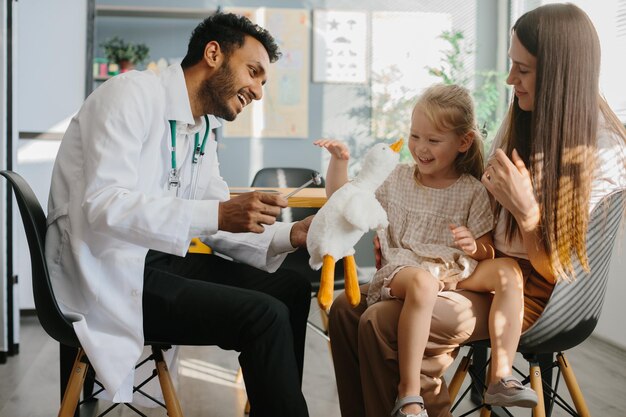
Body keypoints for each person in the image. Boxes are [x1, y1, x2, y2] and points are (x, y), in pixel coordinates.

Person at [328, 3, 626, 417]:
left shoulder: (600, 150)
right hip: (478, 271)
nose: (509, 80)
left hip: (529, 293)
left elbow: (561, 272)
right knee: (346, 308)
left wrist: (527, 214)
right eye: (511, 65)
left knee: (380, 322)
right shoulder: (532, 118)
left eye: (522, 70)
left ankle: (417, 402)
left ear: (559, 73)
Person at [45, 13, 312, 417]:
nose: (258, 92)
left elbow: (217, 220)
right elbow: (104, 204)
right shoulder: (131, 95)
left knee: (290, 290)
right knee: (264, 315)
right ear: (213, 54)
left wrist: (291, 236)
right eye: (253, 72)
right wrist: (219, 213)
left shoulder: (200, 129)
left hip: (154, 262)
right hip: (107, 270)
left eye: (263, 82)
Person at [317, 84, 536, 417]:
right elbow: (343, 201)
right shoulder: (397, 178)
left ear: (463, 142)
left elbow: (488, 250)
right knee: (401, 291)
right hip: (409, 269)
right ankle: (410, 393)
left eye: (433, 140)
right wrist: (339, 163)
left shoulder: (472, 191)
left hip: (454, 271)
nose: (420, 148)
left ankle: (500, 376)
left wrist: (474, 245)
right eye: (414, 136)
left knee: (509, 271)